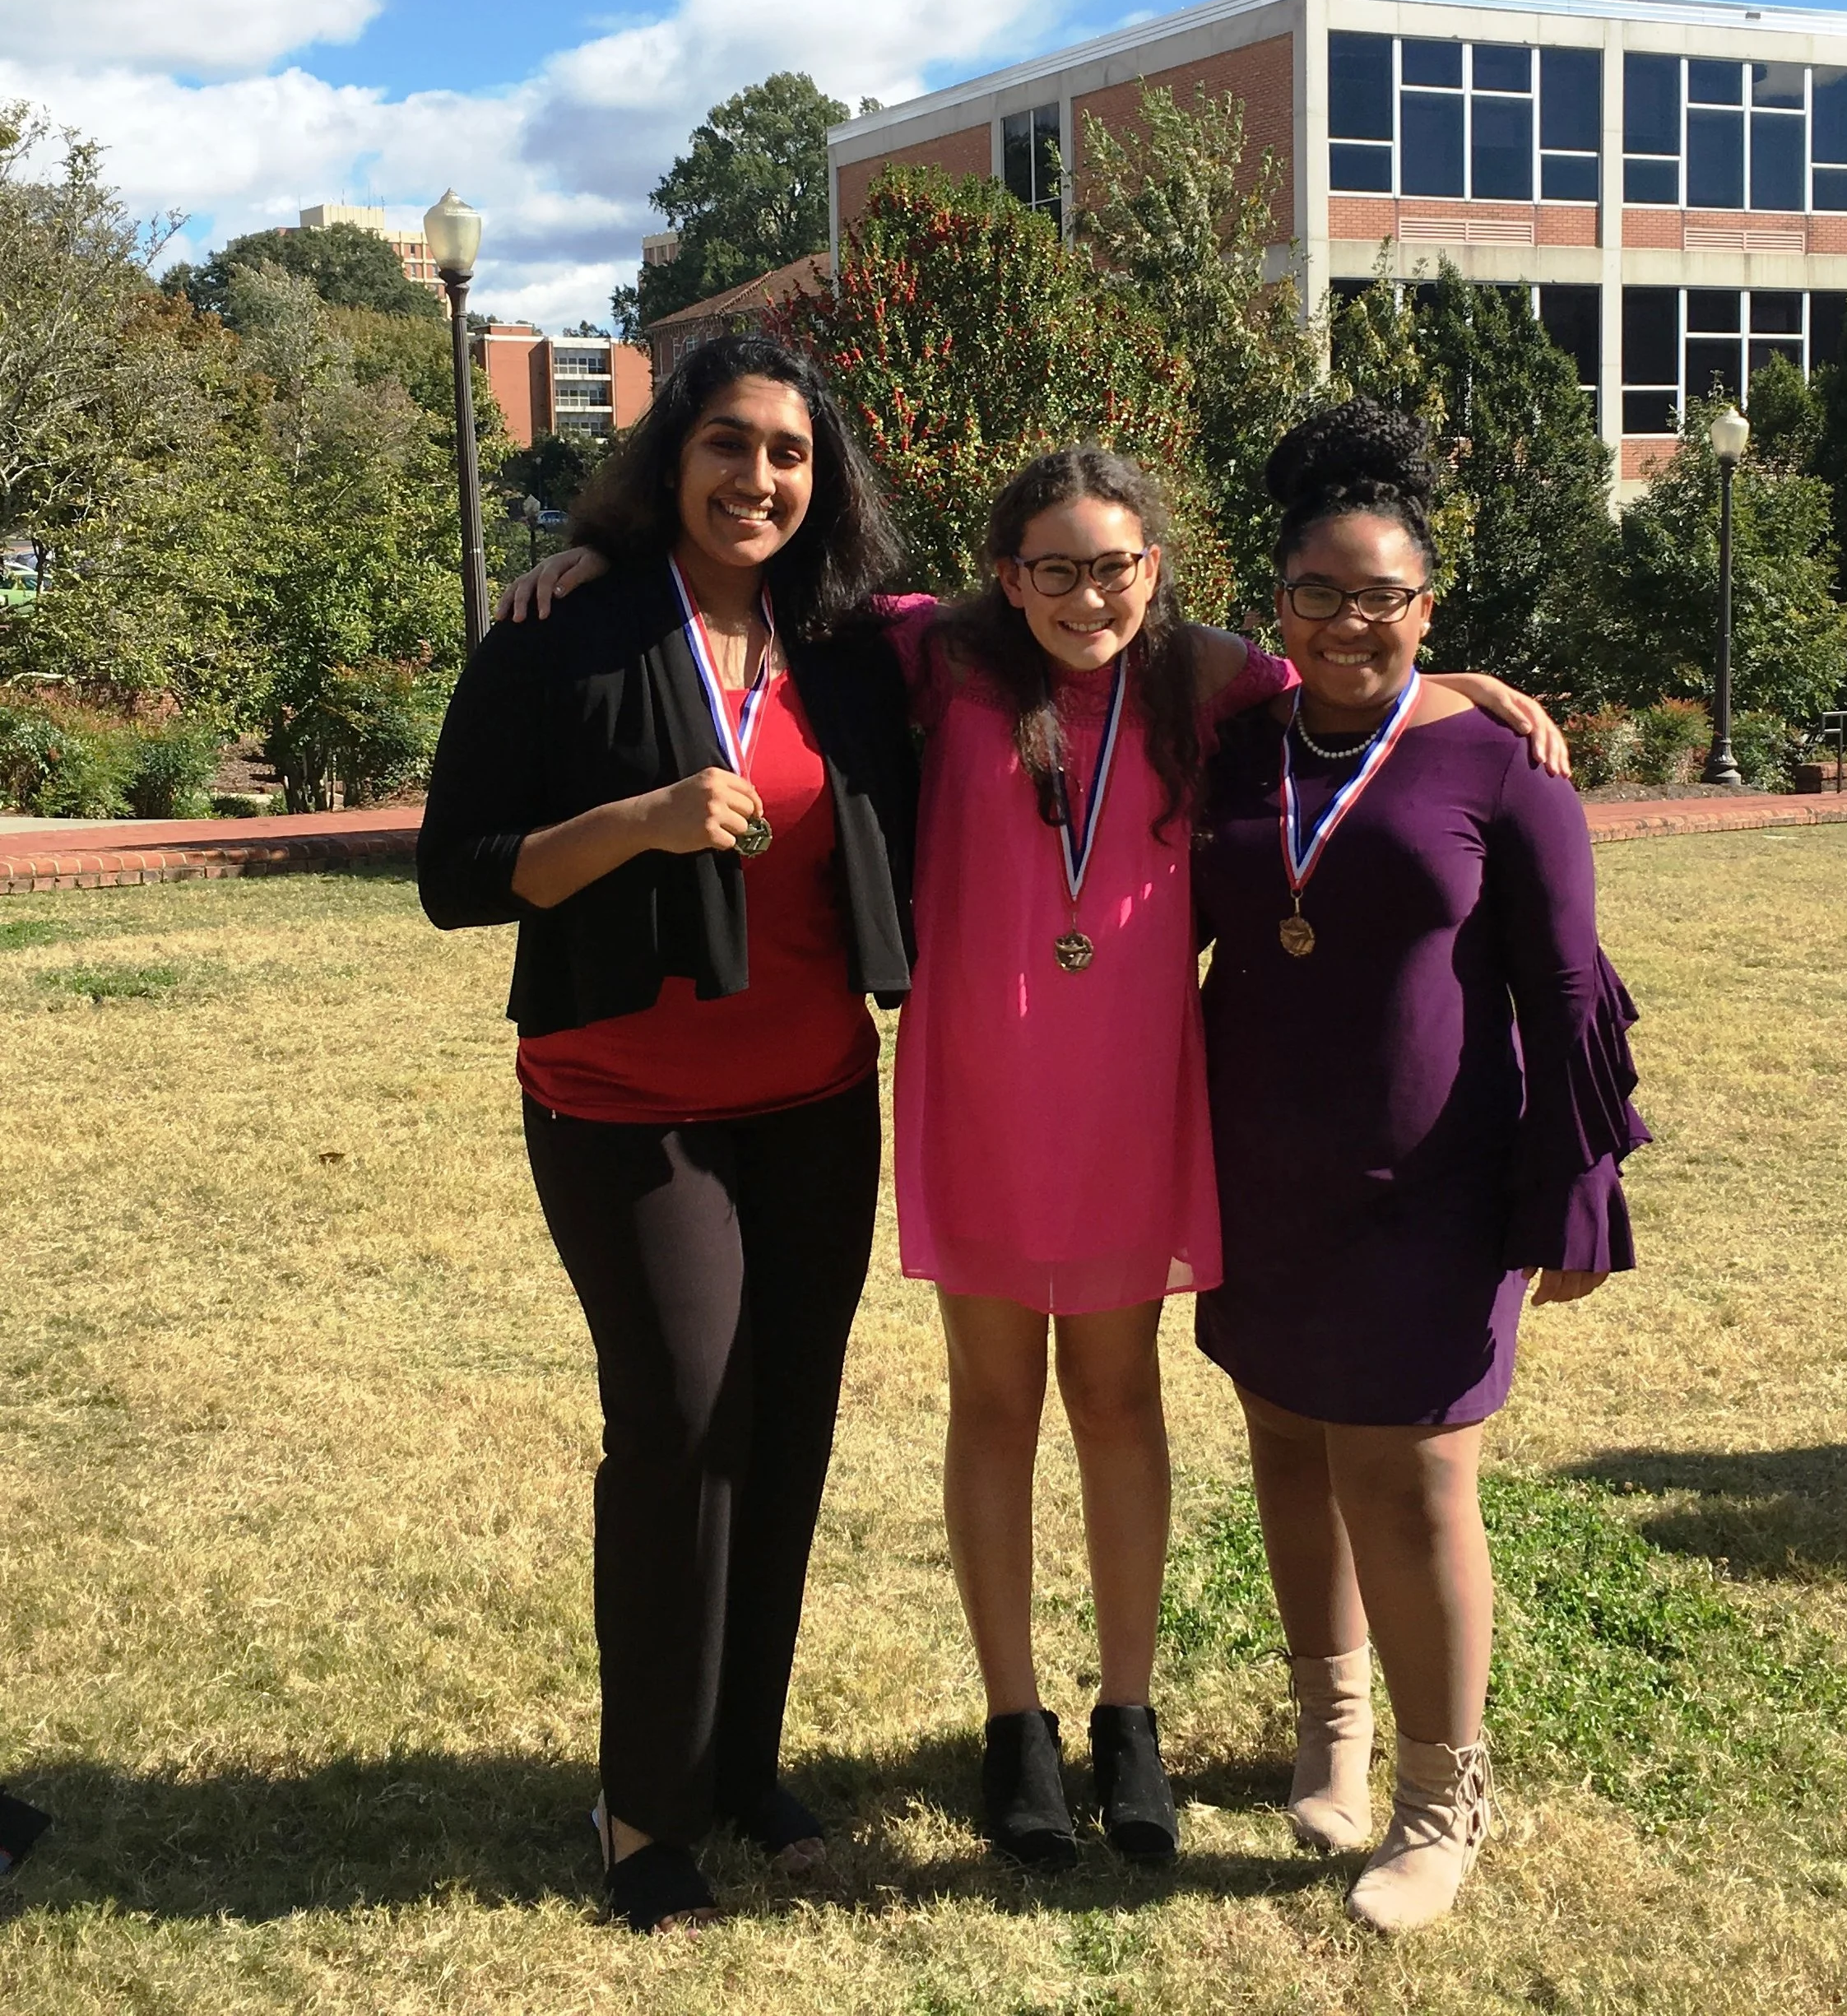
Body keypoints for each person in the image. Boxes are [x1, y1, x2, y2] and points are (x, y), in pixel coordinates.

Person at [505, 443, 1566, 1877]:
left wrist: (1472, 691)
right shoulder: (934, 657)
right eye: (1053, 567)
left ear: (1156, 568)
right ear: (1004, 575)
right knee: (993, 1407)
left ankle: (1127, 1716)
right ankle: (1017, 1726)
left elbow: (1357, 671)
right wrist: (605, 562)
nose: (1086, 595)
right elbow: (759, 580)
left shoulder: (1209, 676)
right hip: (979, 1081)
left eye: (1115, 565)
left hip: (1137, 1090)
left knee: (1120, 1400)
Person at [417, 333, 920, 1935]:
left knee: (783, 1431)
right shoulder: (564, 629)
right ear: (669, 457)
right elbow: (456, 870)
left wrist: (1432, 677)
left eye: (787, 451)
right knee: (683, 1423)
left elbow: (1075, 621)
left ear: (818, 478)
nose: (756, 476)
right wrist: (636, 820)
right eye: (726, 443)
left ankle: (740, 1760)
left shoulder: (848, 648)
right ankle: (643, 1811)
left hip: (817, 1103)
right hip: (623, 1107)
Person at [1190, 401, 1647, 1935]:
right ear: (1278, 609)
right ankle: (1329, 1731)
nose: (1347, 623)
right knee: (1287, 1445)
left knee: (1412, 1474)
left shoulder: (1500, 766)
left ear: (1427, 609)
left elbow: (1571, 990)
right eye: (1316, 595)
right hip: (1262, 1169)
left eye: (1382, 598)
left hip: (1434, 1185)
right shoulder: (1238, 744)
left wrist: (1577, 1184)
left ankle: (1445, 1796)